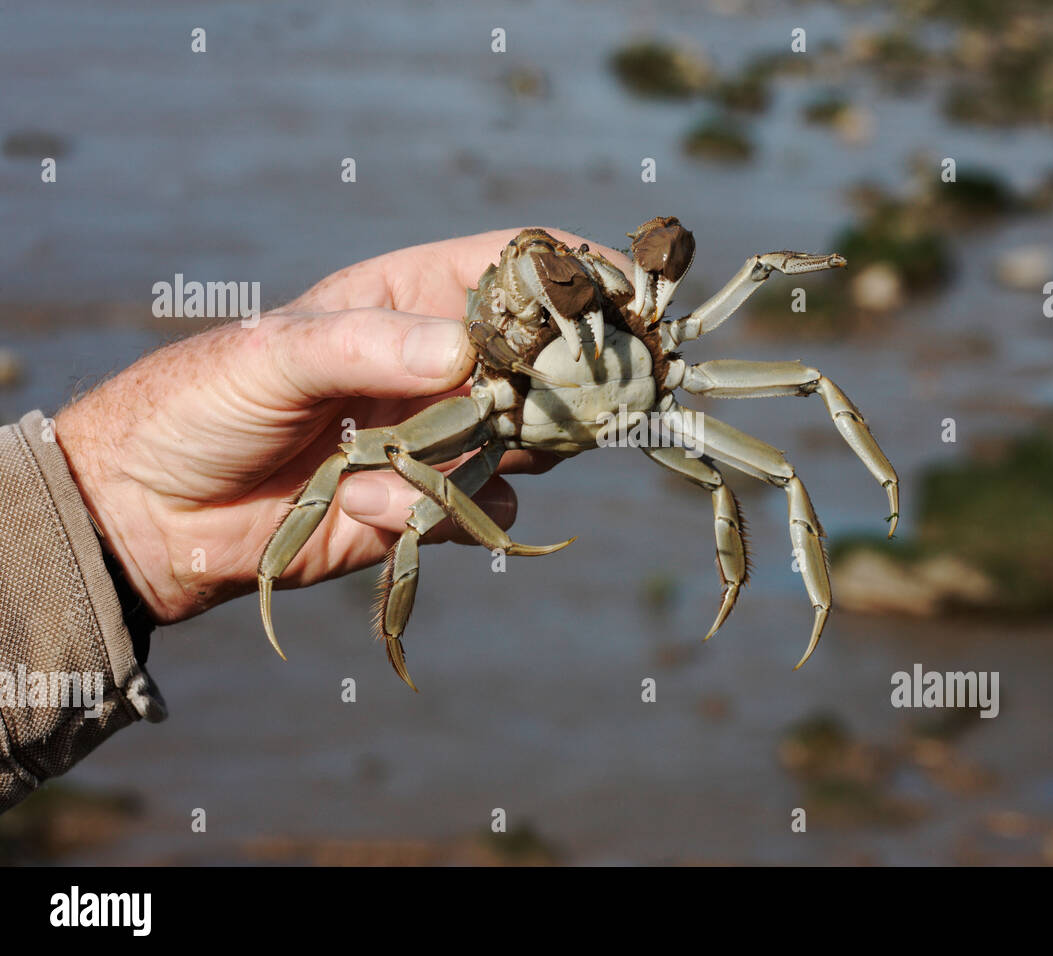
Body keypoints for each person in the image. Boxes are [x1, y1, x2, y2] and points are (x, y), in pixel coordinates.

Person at [0, 228, 619, 812]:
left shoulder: (629, 311)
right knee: (382, 471)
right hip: (495, 406)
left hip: (562, 394)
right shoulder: (480, 335)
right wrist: (127, 518)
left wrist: (122, 514)